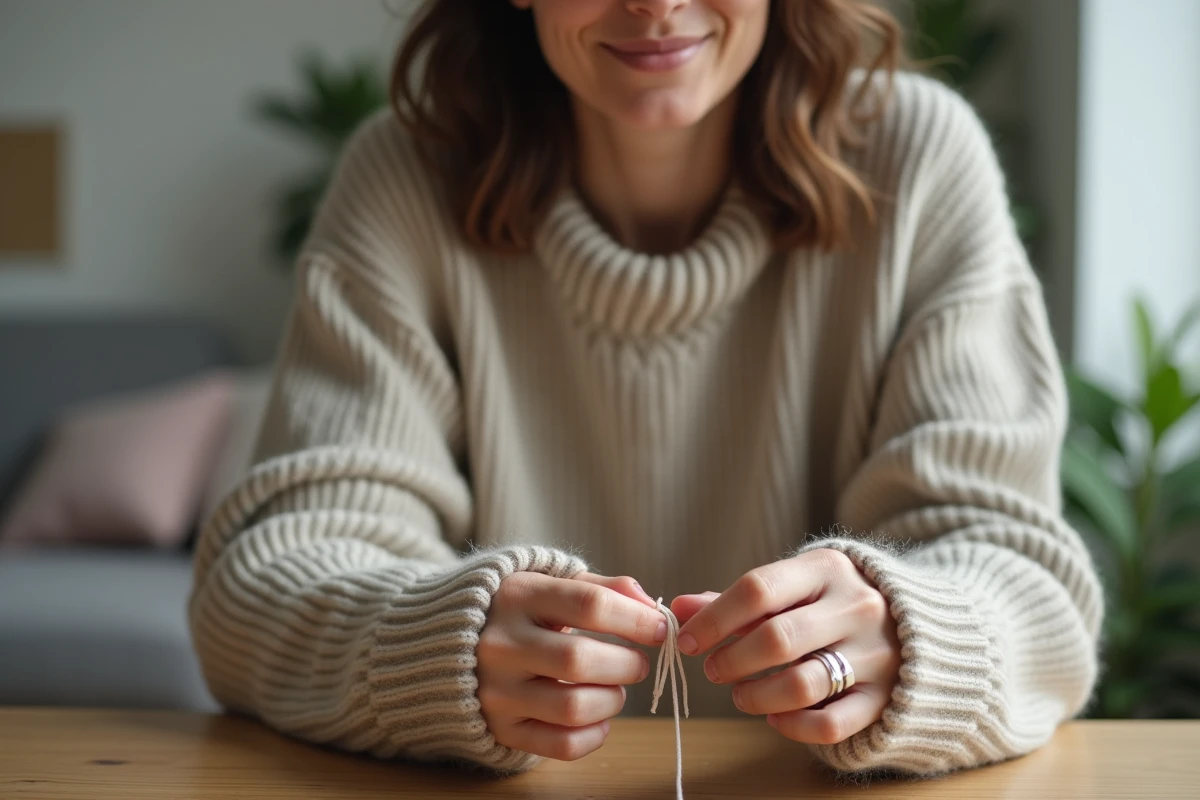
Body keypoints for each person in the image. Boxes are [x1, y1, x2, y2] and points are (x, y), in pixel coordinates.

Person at [189, 0, 1101, 778]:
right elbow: (258, 588)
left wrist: (914, 644)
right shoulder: (403, 183)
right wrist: (443, 650)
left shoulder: (919, 162)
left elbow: (1032, 593)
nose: (658, 4)